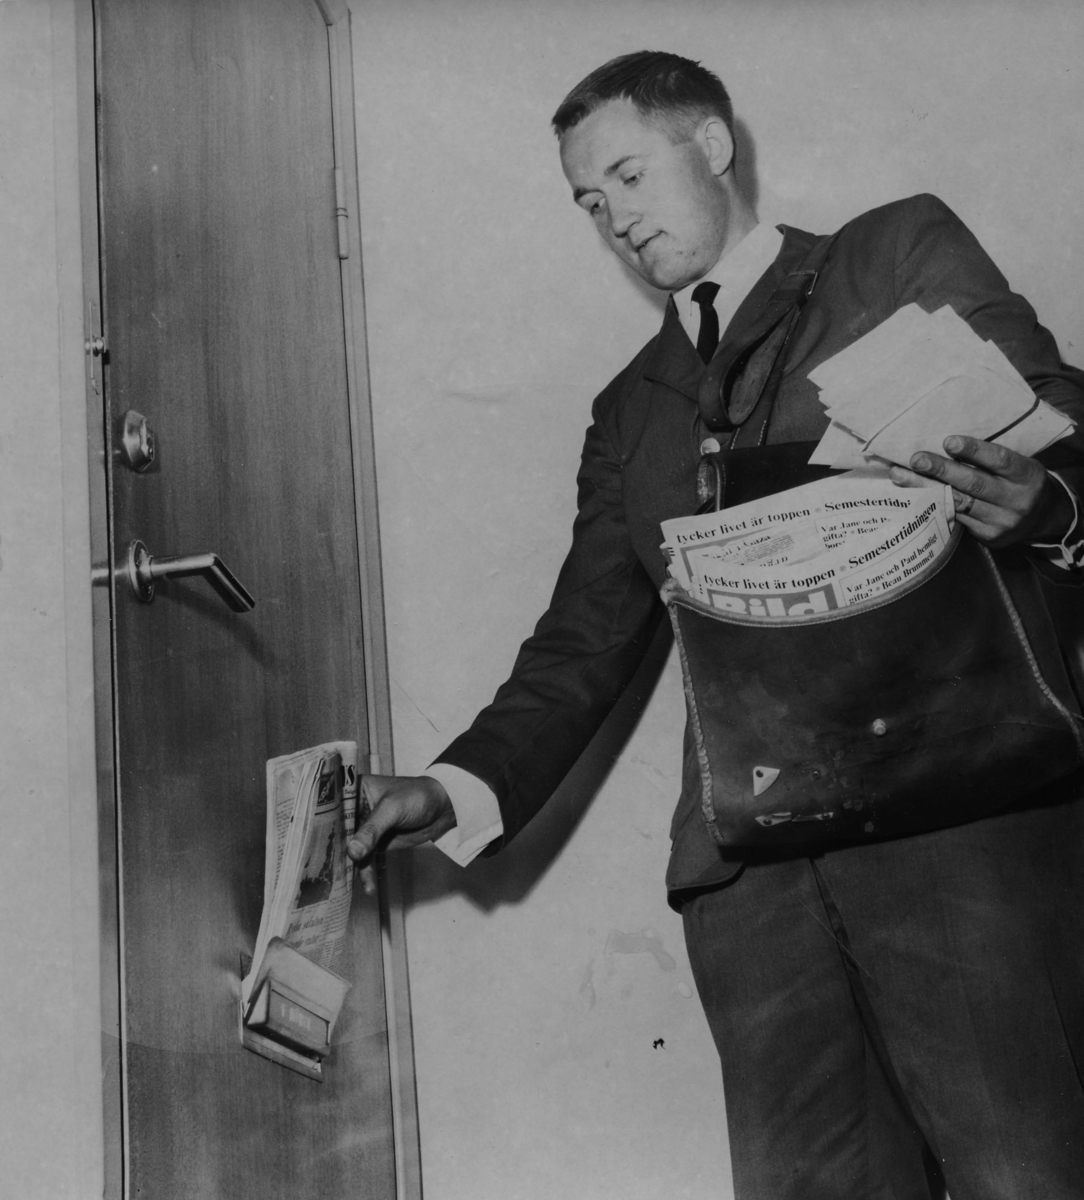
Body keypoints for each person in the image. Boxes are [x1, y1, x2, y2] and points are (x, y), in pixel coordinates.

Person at [348, 51, 1084, 1199]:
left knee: (1026, 1176)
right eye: (588, 202)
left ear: (712, 144)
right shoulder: (628, 413)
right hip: (751, 883)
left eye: (627, 176)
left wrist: (1053, 505)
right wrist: (451, 787)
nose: (614, 218)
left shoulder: (891, 253)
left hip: (953, 823)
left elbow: (1059, 423)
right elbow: (582, 642)